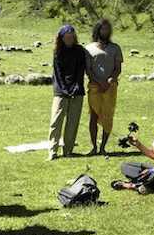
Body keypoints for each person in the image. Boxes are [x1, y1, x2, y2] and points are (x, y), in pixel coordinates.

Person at [49, 25, 91, 160]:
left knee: (72, 122)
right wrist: (65, 90)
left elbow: (80, 71)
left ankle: (68, 151)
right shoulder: (58, 51)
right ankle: (52, 151)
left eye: (71, 37)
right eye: (67, 37)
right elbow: (58, 74)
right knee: (56, 121)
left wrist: (75, 88)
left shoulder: (79, 51)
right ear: (61, 38)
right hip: (60, 91)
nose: (69, 40)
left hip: (77, 90)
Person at [84, 19, 123, 155]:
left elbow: (118, 68)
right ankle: (94, 147)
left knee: (108, 115)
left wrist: (111, 79)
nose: (104, 32)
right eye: (102, 29)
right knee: (93, 116)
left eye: (107, 29)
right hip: (94, 86)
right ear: (97, 30)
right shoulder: (89, 48)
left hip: (110, 87)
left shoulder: (115, 48)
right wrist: (98, 81)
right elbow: (88, 70)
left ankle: (103, 147)